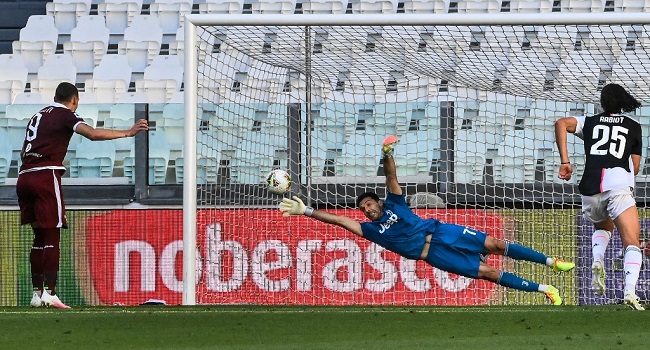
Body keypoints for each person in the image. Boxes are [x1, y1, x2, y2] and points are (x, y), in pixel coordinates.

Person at [279, 135, 575, 305]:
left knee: (496, 244)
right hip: (433, 254)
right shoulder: (371, 230)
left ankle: (553, 262)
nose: (367, 211)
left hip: (444, 232)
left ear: (378, 201)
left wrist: (387, 153)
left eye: (369, 204)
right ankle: (546, 290)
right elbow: (340, 221)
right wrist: (306, 210)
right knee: (488, 273)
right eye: (364, 209)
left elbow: (391, 176)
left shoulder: (394, 201)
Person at [16, 82, 149, 308]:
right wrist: (128, 132)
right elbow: (93, 134)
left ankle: (37, 294)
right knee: (52, 235)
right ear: (74, 100)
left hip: (24, 176)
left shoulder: (38, 115)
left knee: (38, 237)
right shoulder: (65, 114)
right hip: (45, 177)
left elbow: (23, 150)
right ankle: (51, 292)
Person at [555, 83, 644, 310]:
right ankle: (630, 292)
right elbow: (634, 167)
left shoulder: (590, 122)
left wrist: (565, 162)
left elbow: (561, 123)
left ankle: (597, 259)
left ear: (602, 103)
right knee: (632, 242)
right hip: (618, 185)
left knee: (602, 227)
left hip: (590, 187)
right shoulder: (633, 126)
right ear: (624, 101)